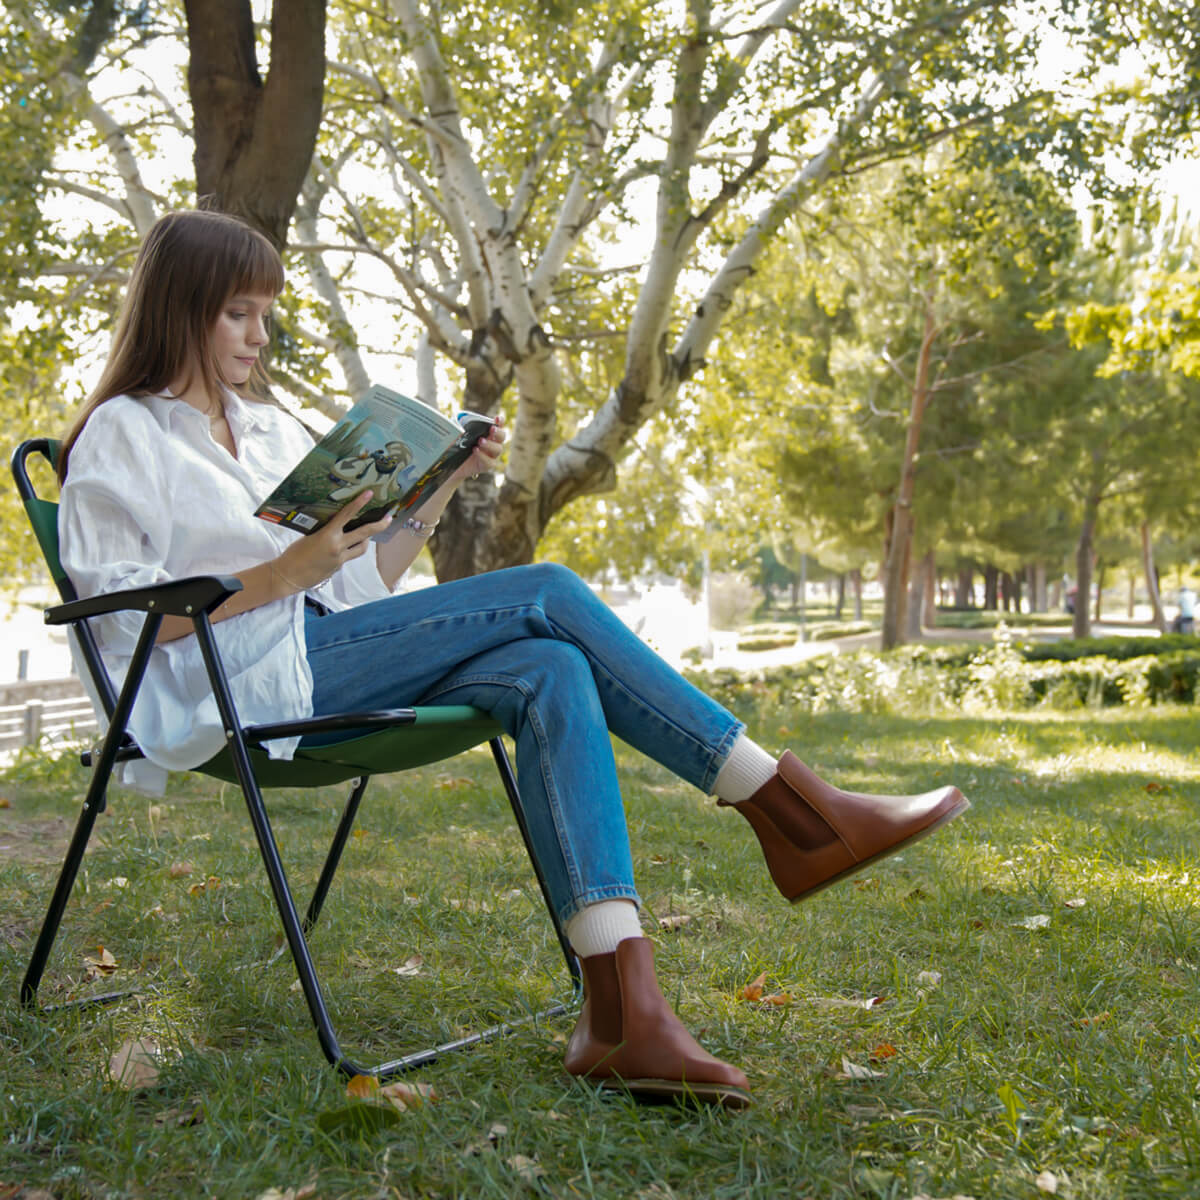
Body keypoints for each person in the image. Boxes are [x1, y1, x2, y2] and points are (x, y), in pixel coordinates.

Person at [57, 210, 969, 1110]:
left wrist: (440, 480)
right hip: (230, 693)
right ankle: (793, 813)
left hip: (321, 653)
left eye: (266, 311)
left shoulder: (266, 430)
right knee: (544, 592)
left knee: (551, 667)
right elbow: (120, 623)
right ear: (182, 309)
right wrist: (276, 572)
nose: (261, 334)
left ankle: (622, 1015)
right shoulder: (124, 433)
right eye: (237, 314)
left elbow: (363, 585)